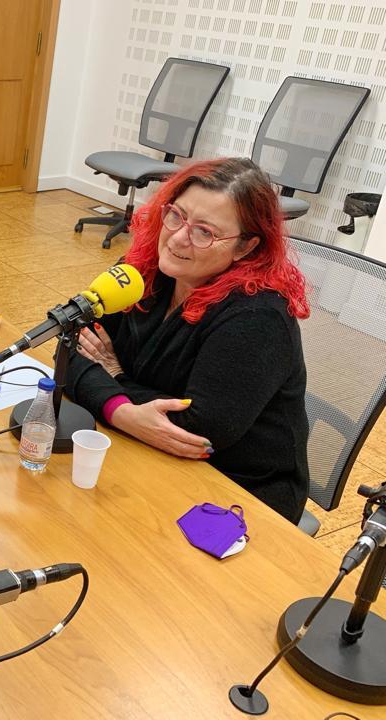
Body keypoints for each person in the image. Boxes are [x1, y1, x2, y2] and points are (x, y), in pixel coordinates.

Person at [66, 157, 310, 523]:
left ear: (245, 247)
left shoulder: (257, 317)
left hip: (239, 494)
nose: (179, 237)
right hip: (144, 451)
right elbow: (72, 344)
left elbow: (197, 430)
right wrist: (123, 410)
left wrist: (115, 375)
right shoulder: (143, 272)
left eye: (204, 232)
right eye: (176, 216)